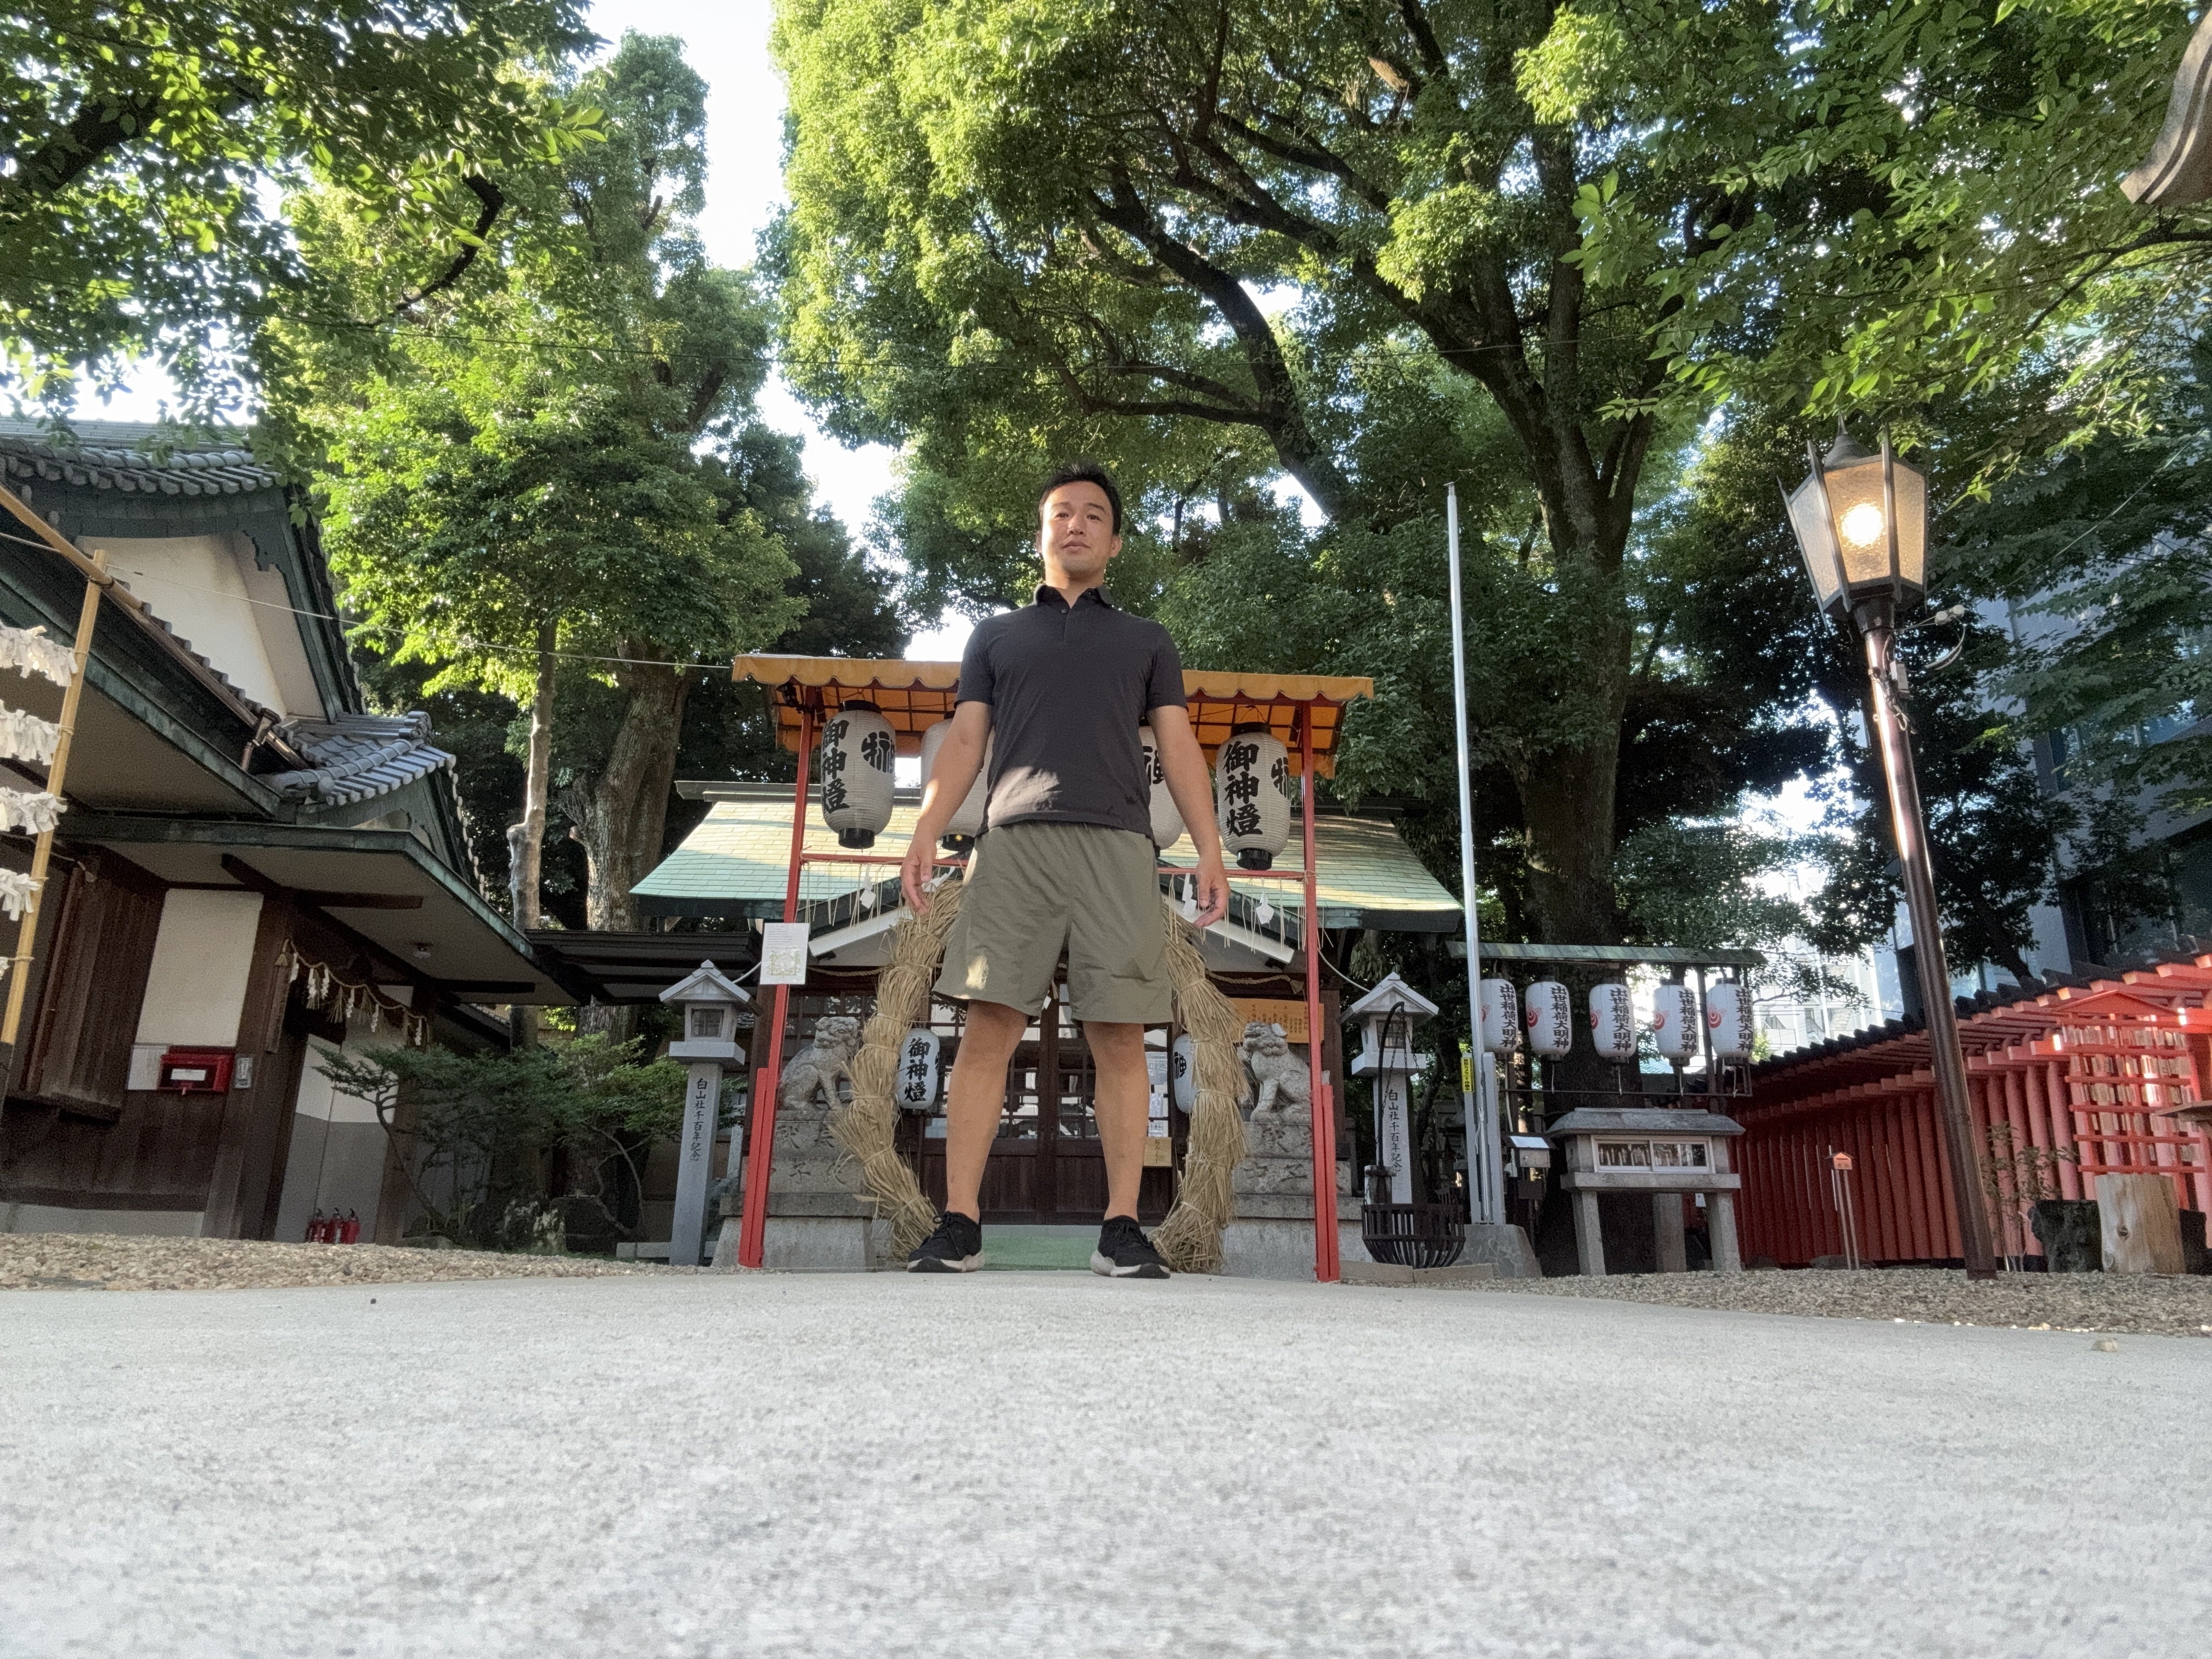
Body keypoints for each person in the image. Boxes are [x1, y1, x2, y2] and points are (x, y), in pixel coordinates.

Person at [899, 461, 1228, 1277]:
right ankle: (961, 1223)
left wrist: (1210, 848)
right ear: (1042, 533)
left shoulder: (1146, 639)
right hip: (1012, 843)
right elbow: (966, 739)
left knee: (1120, 1032)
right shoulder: (996, 635)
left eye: (1093, 515)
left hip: (1119, 844)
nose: (1075, 524)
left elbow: (1178, 744)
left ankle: (1122, 1227)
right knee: (988, 1026)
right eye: (1061, 513)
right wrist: (925, 830)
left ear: (1114, 543)